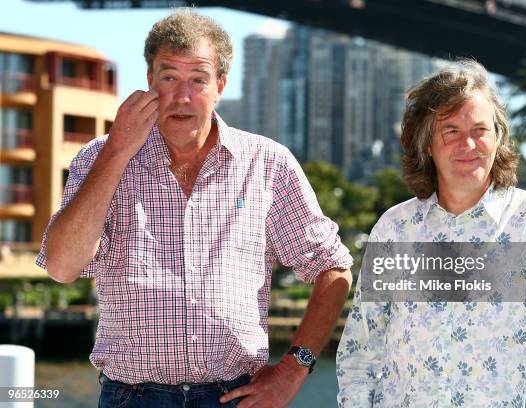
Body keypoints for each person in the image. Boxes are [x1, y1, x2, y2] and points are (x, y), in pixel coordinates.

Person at [36, 9, 353, 408]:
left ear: (219, 85)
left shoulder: (267, 163)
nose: (182, 96)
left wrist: (294, 369)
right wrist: (118, 149)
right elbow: (62, 266)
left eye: (198, 80)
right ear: (150, 81)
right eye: (169, 77)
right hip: (131, 398)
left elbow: (333, 266)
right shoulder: (100, 157)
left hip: (235, 395)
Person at [336, 60, 526, 407]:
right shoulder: (395, 228)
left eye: (480, 129)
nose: (469, 144)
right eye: (451, 131)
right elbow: (360, 356)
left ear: (498, 137)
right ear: (427, 144)